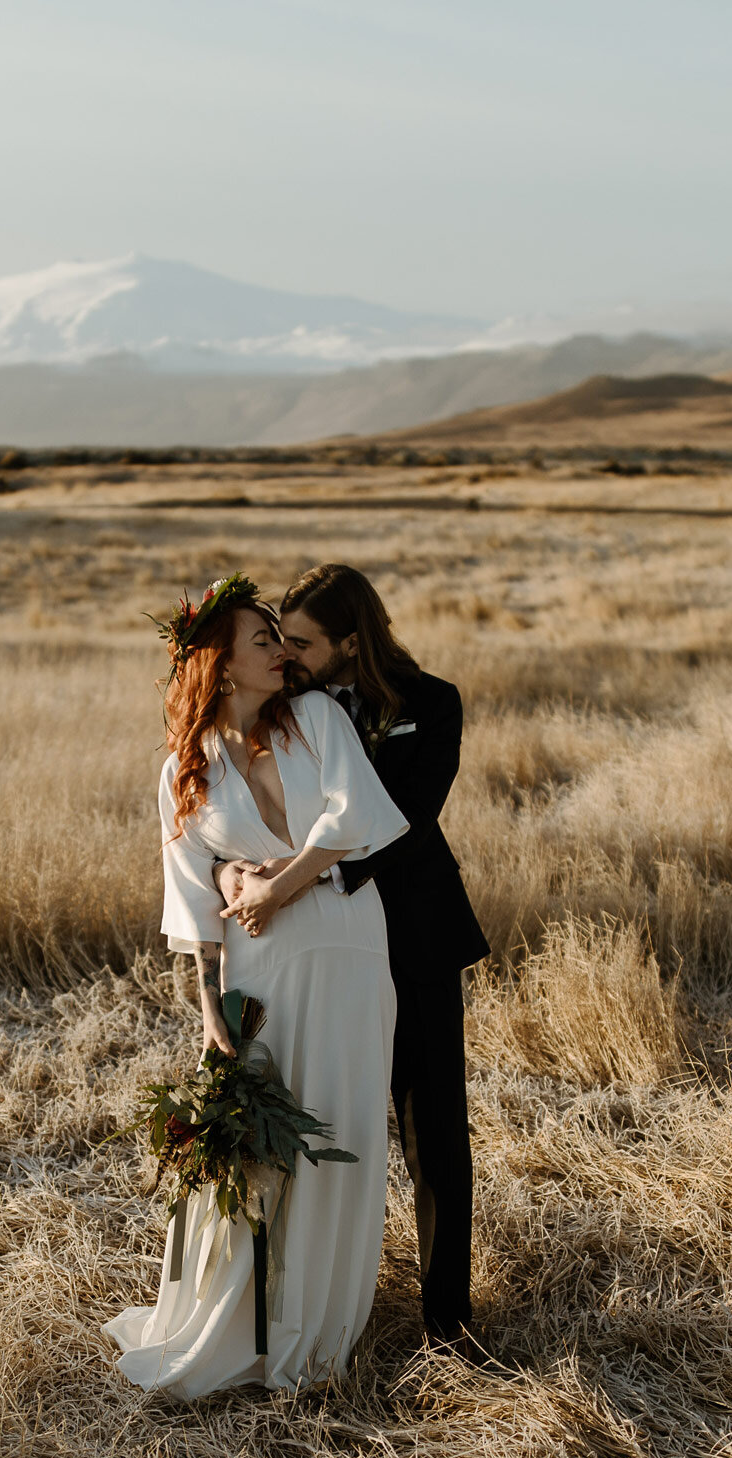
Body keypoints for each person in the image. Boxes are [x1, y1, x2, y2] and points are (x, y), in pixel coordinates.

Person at [107, 574, 411, 1398]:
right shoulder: (182, 773)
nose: (284, 652)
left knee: (343, 1133)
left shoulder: (317, 719)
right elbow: (193, 905)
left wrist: (281, 885)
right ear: (222, 665)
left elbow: (353, 820)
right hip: (261, 972)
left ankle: (318, 1331)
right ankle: (245, 1320)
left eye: (281, 638)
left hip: (349, 947)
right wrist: (210, 1015)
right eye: (264, 642)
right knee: (266, 1150)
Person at [220, 564, 490, 1352]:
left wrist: (303, 877)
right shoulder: (287, 707)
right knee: (314, 1118)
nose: (288, 654)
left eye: (301, 642)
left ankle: (449, 1320)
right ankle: (300, 1305)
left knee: (433, 1128)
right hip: (316, 952)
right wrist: (237, 875)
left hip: (416, 938)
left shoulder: (432, 704)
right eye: (280, 640)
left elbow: (402, 816)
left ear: (350, 640)